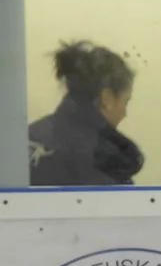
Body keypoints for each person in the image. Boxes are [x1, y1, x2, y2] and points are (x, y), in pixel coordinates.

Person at [29, 41, 144, 186]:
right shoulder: (105, 159)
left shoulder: (30, 138)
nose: (124, 113)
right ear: (107, 98)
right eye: (125, 102)